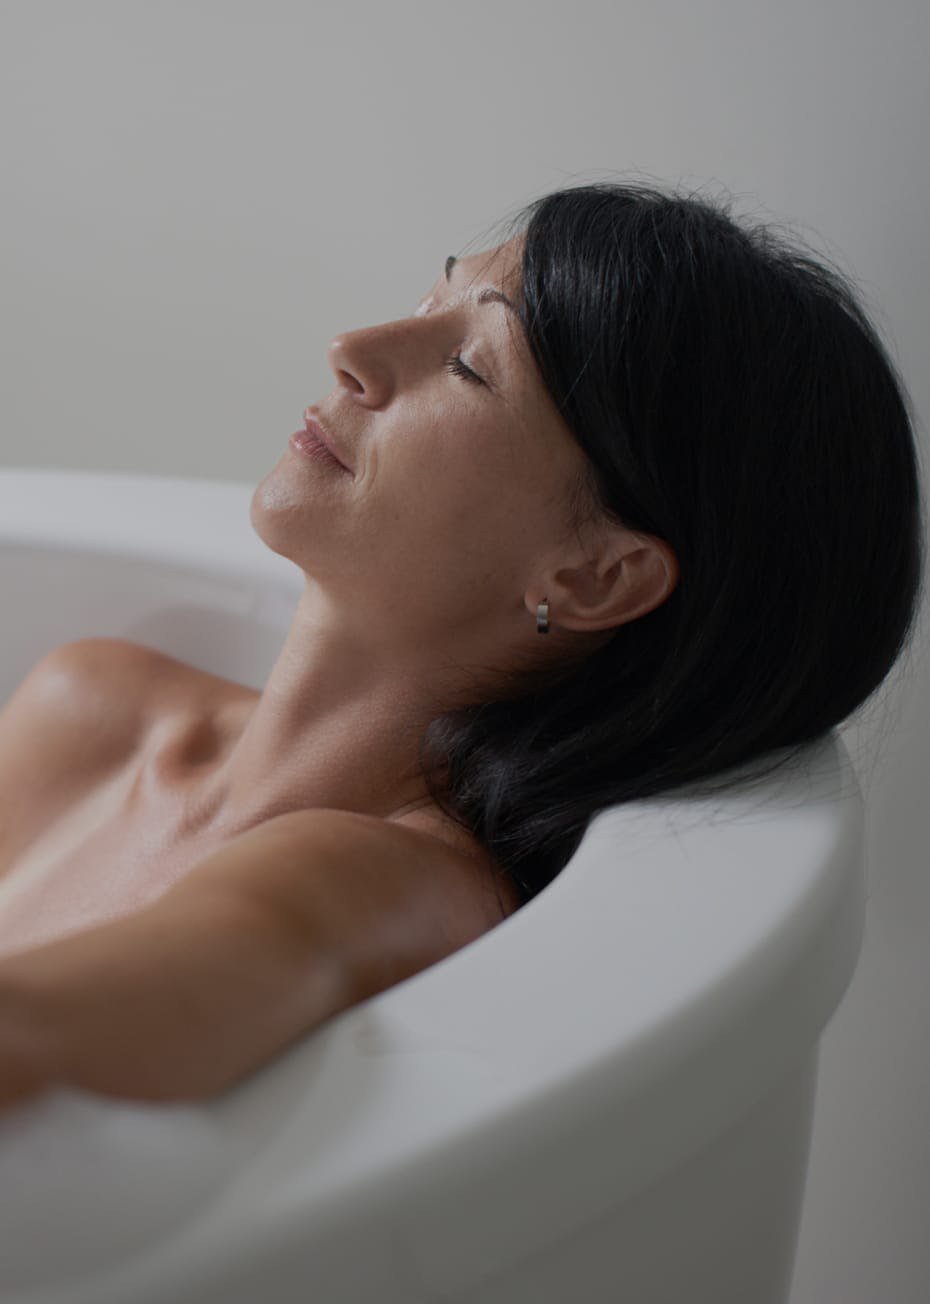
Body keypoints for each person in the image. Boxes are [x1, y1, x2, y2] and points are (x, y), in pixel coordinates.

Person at [0, 180, 923, 1112]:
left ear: (594, 576)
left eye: (469, 366)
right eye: (425, 301)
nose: (351, 352)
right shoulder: (94, 702)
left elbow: (31, 1035)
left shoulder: (391, 885)